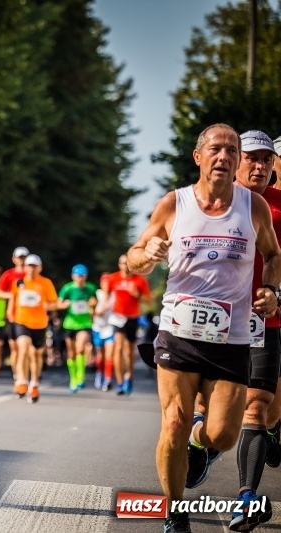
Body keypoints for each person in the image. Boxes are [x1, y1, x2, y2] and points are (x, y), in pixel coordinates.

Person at [126, 123, 281, 533]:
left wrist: (270, 290)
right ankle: (175, 512)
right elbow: (134, 255)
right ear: (198, 157)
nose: (224, 156)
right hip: (178, 332)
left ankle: (199, 440)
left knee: (223, 435)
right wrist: (148, 253)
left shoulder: (253, 207)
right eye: (216, 149)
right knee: (173, 421)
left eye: (232, 150)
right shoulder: (174, 204)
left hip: (232, 339)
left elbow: (273, 254)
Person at [227, 129, 281, 530]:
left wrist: (276, 294)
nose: (260, 166)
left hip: (267, 320)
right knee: (219, 414)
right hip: (219, 321)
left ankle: (246, 498)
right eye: (252, 158)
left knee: (261, 406)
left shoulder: (278, 205)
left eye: (266, 159)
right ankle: (198, 442)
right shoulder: (211, 200)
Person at [6, 254, 58, 403]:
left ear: (39, 268)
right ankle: (21, 381)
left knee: (35, 355)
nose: (31, 269)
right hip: (21, 321)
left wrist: (46, 305)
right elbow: (13, 299)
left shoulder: (45, 283)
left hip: (39, 324)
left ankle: (34, 383)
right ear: (25, 267)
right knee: (23, 349)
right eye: (29, 266)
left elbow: (53, 303)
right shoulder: (19, 282)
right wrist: (10, 314)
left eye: (34, 266)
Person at [108, 253, 151, 395]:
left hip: (132, 318)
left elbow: (149, 300)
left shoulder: (140, 280)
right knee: (118, 348)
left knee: (129, 351)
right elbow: (106, 296)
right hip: (117, 317)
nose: (124, 266)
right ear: (118, 265)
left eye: (127, 263)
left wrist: (137, 294)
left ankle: (129, 377)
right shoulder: (113, 278)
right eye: (122, 263)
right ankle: (120, 382)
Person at [56, 264, 97, 393]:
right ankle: (73, 379)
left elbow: (95, 302)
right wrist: (64, 304)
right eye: (78, 276)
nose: (80, 278)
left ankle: (80, 377)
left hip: (84, 323)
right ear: (73, 276)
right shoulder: (67, 288)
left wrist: (93, 304)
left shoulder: (90, 288)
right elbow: (58, 303)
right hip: (70, 324)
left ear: (86, 276)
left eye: (82, 276)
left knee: (80, 348)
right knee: (71, 353)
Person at [0, 247, 29, 395]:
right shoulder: (8, 275)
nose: (21, 260)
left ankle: (23, 379)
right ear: (14, 259)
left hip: (29, 318)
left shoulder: (31, 274)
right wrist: (13, 295)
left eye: (24, 257)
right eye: (19, 257)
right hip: (13, 317)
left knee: (25, 349)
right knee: (15, 350)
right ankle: (17, 376)